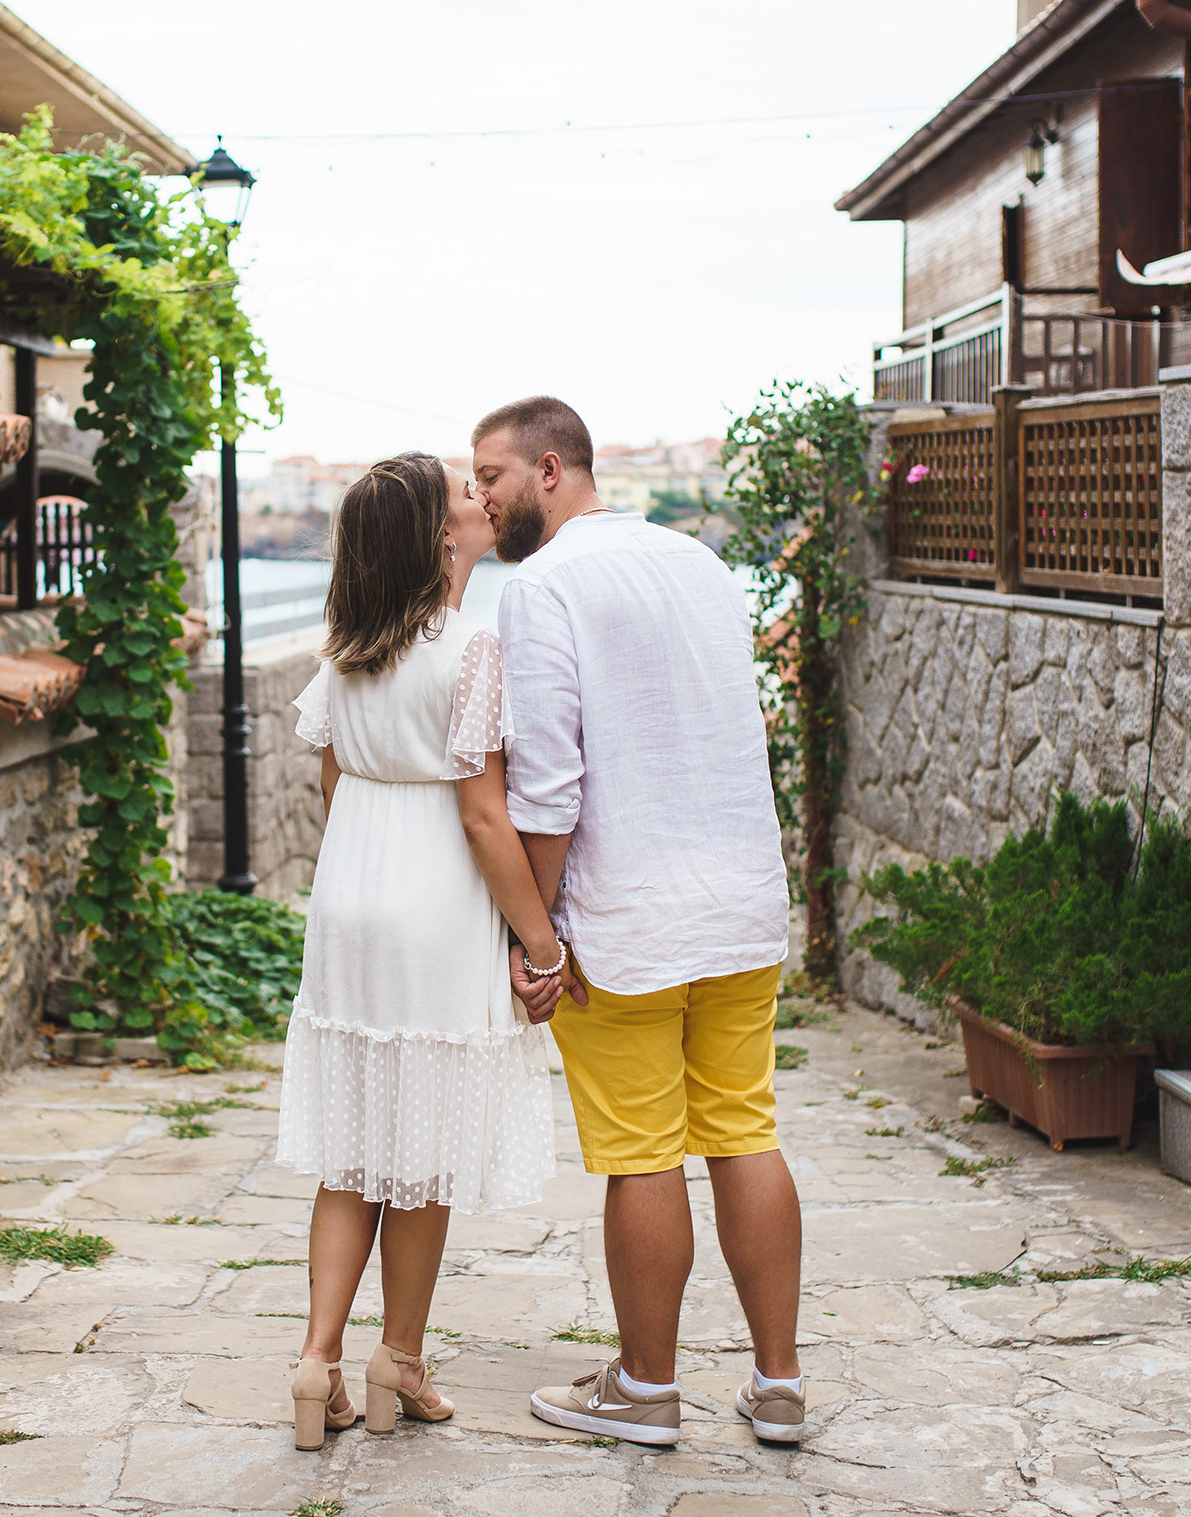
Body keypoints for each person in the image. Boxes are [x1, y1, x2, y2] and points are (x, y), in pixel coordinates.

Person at [473, 395, 807, 1449]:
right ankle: (779, 1381)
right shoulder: (702, 565)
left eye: (491, 475)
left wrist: (539, 937)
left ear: (553, 466)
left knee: (639, 1151)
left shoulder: (544, 587)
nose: (481, 497)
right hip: (741, 899)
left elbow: (549, 784)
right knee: (744, 1129)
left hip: (622, 916)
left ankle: (646, 1388)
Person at [274, 451, 565, 1450]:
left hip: (349, 899)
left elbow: (330, 781)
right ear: (441, 537)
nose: (482, 502)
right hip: (434, 905)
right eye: (462, 497)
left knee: (351, 1145)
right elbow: (486, 819)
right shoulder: (471, 648)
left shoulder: (344, 644)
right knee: (422, 1150)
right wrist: (541, 941)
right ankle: (397, 1354)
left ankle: (315, 1360)